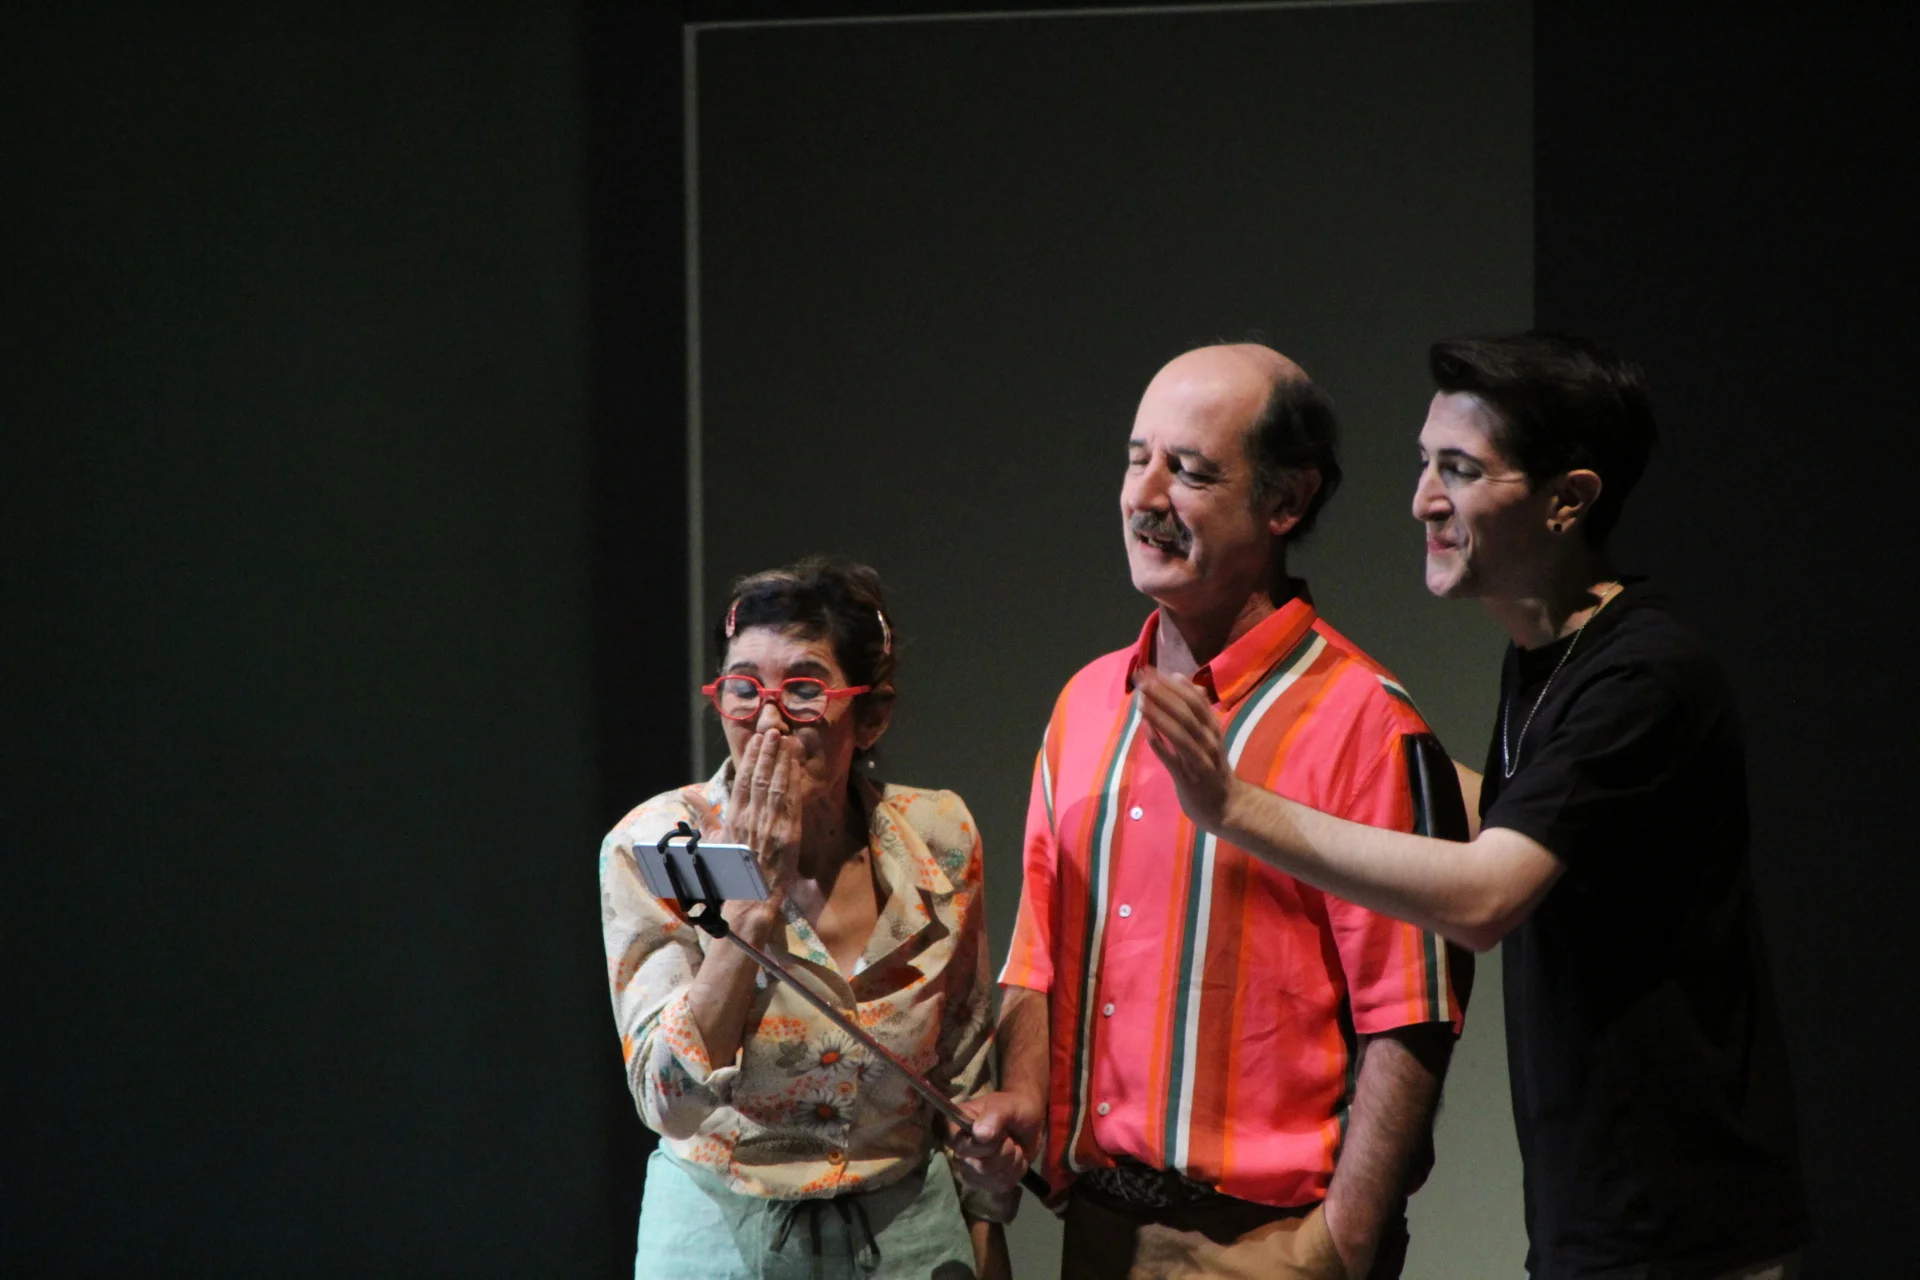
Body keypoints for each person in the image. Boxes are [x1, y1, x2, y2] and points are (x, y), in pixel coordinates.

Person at [1135, 333, 1808, 1279]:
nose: (1423, 499)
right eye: (1424, 463)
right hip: (1600, 1219)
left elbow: (1486, 895)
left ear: (1568, 500)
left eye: (1460, 470)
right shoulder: (1544, 660)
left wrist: (1234, 805)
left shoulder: (1643, 674)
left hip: (1684, 1235)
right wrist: (1325, 722)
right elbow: (1506, 811)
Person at [954, 344, 1473, 1280]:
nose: (1145, 496)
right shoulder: (1087, 704)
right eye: (1136, 459)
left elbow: (1412, 1008)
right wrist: (1023, 1095)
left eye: (1189, 471)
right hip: (1100, 1233)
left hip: (1267, 1245)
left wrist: (1341, 1243)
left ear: (1287, 502)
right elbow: (1038, 952)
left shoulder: (1363, 721)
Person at [599, 558, 1015, 1279]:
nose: (768, 720)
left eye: (802, 690)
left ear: (871, 715)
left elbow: (965, 1068)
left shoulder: (939, 835)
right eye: (743, 689)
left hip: (908, 1236)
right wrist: (750, 911)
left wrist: (987, 1228)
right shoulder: (658, 845)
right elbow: (667, 1100)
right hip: (724, 1235)